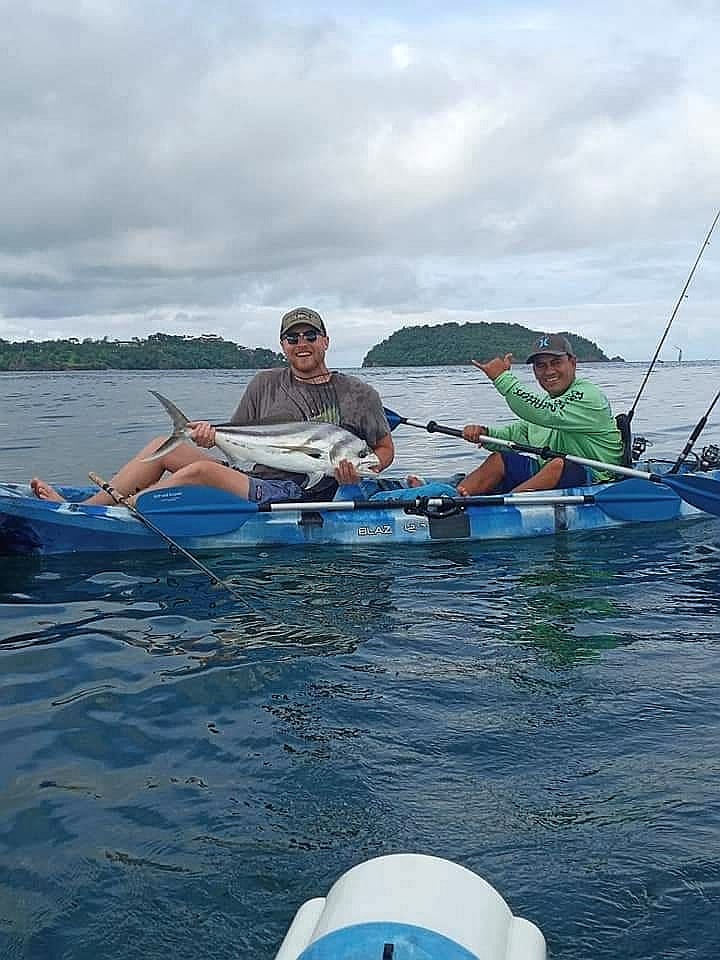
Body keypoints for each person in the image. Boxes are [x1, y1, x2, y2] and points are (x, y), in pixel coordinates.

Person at [31, 307, 394, 506]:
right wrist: (208, 438)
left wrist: (357, 471)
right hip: (255, 476)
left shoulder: (357, 394)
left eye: (310, 336)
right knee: (162, 447)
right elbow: (237, 442)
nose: (302, 343)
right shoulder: (265, 382)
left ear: (325, 341)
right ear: (283, 345)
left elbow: (383, 449)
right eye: (292, 337)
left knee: (200, 474)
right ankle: (92, 506)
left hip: (298, 492)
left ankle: (106, 511)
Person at [451, 333, 624, 495]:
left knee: (558, 463)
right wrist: (485, 433)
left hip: (597, 479)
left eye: (556, 362)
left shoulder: (588, 395)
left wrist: (502, 378)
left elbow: (547, 413)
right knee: (499, 459)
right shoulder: (547, 403)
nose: (549, 371)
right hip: (551, 474)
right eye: (541, 365)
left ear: (573, 362)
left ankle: (507, 506)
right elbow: (516, 434)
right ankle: (452, 501)